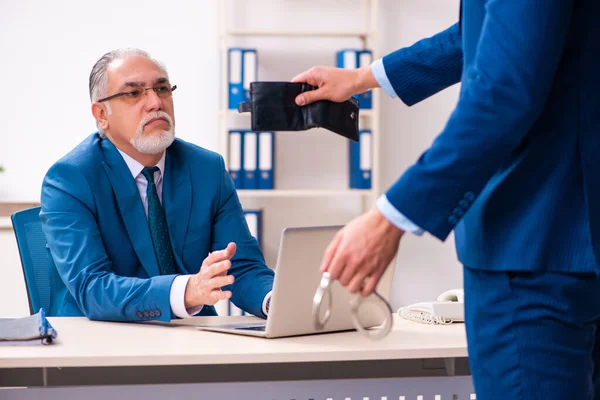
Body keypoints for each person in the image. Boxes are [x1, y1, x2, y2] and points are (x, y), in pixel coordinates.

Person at [292, 1, 600, 399]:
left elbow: (504, 91)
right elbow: (489, 34)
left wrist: (392, 217)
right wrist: (363, 77)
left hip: (531, 243)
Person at [40, 48, 274, 322]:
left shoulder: (207, 169)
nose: (155, 103)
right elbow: (93, 287)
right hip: (101, 337)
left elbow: (242, 268)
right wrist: (186, 291)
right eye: (133, 93)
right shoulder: (70, 178)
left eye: (162, 89)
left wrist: (276, 301)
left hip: (194, 336)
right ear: (102, 114)